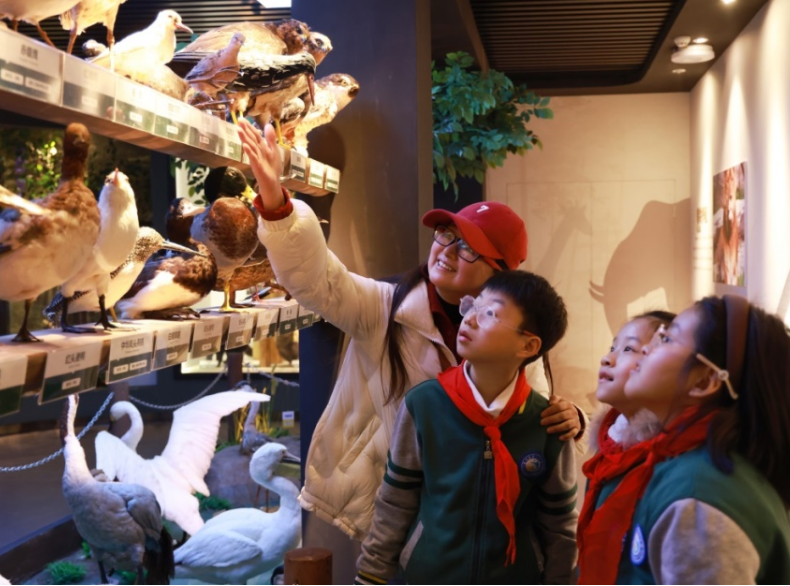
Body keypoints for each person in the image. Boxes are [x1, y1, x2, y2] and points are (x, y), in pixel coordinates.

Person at [237, 120, 584, 541]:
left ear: (501, 273)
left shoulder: (512, 338)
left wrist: (572, 420)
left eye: (468, 247)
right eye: (446, 234)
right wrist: (276, 204)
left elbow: (534, 423)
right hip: (392, 513)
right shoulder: (384, 306)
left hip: (477, 520)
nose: (447, 250)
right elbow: (317, 281)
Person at [355, 270, 578, 584]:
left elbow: (560, 527)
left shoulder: (548, 423)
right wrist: (370, 577)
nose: (470, 319)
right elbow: (395, 503)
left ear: (528, 346)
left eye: (490, 314)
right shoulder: (424, 405)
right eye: (473, 305)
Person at [579, 295, 790, 584]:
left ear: (703, 382)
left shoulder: (699, 500)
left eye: (666, 339)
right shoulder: (677, 463)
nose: (648, 348)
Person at [577, 310, 674, 581]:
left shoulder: (666, 462)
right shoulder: (606, 457)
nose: (607, 358)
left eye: (628, 348)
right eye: (612, 348)